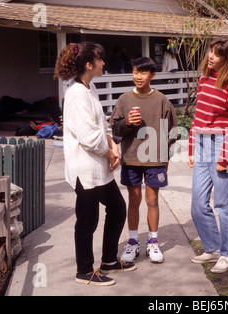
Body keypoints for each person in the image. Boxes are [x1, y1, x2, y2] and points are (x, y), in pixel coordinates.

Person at [54, 42, 135, 287]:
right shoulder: (76, 94)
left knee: (118, 208)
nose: (103, 63)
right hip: (85, 168)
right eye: (100, 60)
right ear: (89, 64)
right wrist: (110, 153)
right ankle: (84, 271)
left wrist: (113, 144)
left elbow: (100, 125)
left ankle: (109, 260)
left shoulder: (90, 88)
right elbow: (88, 136)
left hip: (98, 166)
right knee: (88, 220)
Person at [111, 57, 178, 264]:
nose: (138, 77)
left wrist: (166, 155)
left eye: (143, 73)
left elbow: (172, 131)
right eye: (135, 72)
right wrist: (127, 123)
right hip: (131, 158)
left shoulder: (162, 101)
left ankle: (153, 241)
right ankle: (132, 242)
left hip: (154, 159)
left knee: (152, 200)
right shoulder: (124, 99)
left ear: (152, 75)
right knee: (133, 200)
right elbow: (114, 129)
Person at [187, 38, 228, 274]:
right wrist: (191, 146)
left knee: (225, 204)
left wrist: (226, 156)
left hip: (222, 144)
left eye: (217, 54)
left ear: (226, 59)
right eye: (210, 52)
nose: (210, 56)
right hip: (201, 142)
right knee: (198, 204)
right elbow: (198, 115)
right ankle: (212, 249)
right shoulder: (203, 79)